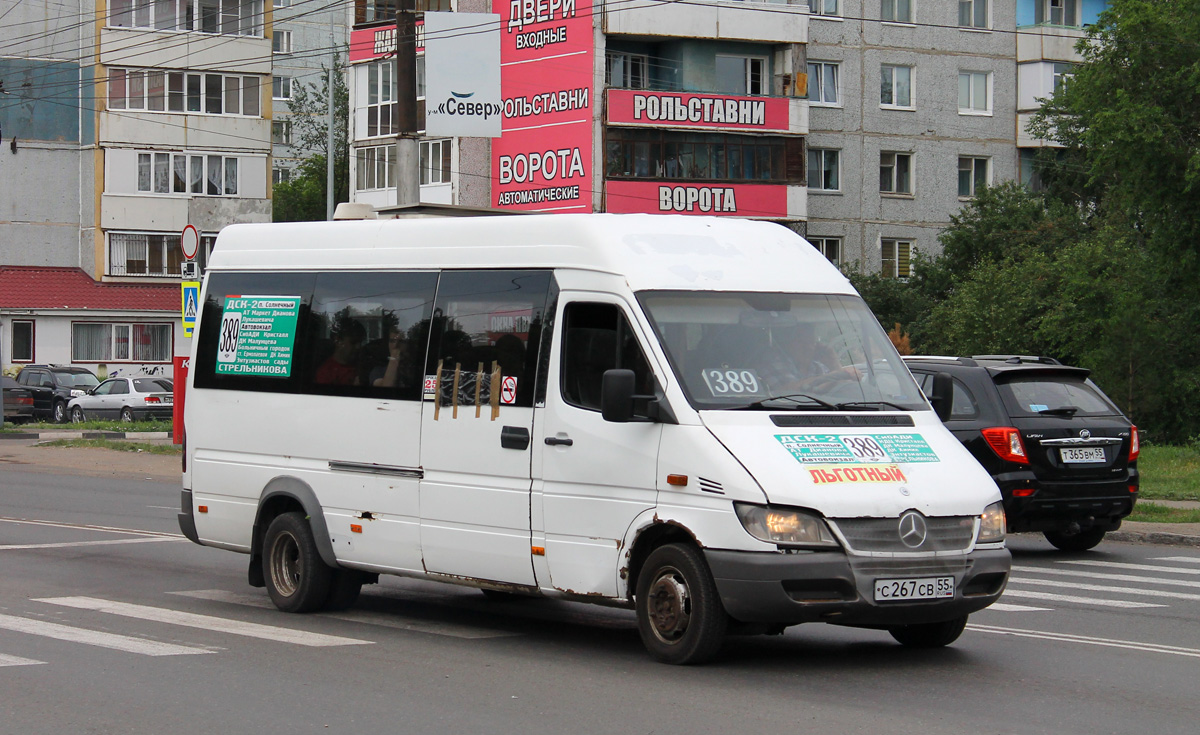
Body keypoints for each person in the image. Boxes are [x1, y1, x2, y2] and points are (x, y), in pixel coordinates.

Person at [758, 323, 853, 395]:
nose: (808, 347)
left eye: (811, 342)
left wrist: (834, 364)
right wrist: (831, 378)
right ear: (787, 344)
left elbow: (844, 390)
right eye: (801, 342)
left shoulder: (818, 367)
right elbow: (790, 393)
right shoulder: (773, 365)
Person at [315, 319, 365, 385]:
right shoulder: (326, 373)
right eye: (353, 342)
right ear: (338, 341)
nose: (358, 347)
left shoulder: (363, 365)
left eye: (360, 342)